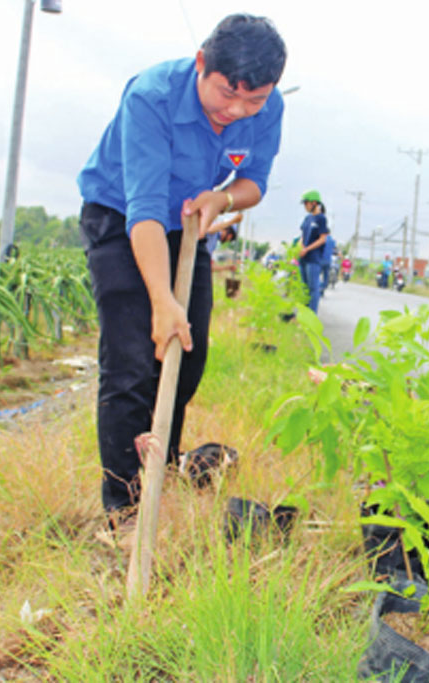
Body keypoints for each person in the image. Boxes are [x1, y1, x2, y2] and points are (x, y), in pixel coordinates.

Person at [76, 14, 287, 526]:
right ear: (201, 65)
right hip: (122, 217)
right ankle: (123, 510)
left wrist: (222, 196)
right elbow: (144, 208)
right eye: (226, 94)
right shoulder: (151, 96)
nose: (237, 111)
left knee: (187, 357)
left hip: (188, 227)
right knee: (131, 363)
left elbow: (253, 182)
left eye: (253, 100)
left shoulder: (267, 107)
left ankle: (161, 470)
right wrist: (161, 302)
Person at [297, 190, 328, 312]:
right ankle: (303, 315)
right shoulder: (307, 219)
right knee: (304, 288)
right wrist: (300, 247)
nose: (305, 206)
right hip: (303, 258)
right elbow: (302, 236)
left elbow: (322, 239)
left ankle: (311, 315)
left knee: (313, 289)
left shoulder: (321, 219)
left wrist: (307, 249)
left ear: (314, 203)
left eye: (306, 203)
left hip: (313, 258)